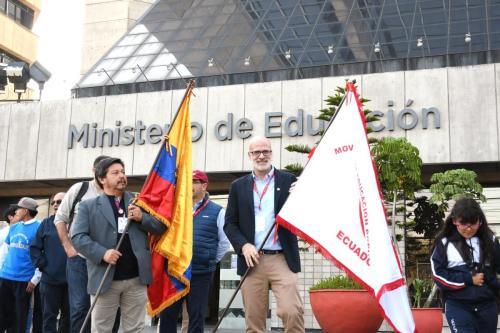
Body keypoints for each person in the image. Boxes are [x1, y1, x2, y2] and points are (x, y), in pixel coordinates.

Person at [71, 157, 167, 332]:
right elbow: (77, 237)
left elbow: (161, 227)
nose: (122, 176)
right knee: (102, 329)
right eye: (115, 173)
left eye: (123, 172)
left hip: (136, 279)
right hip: (105, 277)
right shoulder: (88, 206)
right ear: (102, 179)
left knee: (135, 329)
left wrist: (142, 217)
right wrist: (102, 253)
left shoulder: (140, 201)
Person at [224, 136, 304, 332]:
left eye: (265, 151)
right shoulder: (238, 186)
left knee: (291, 311)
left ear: (271, 152)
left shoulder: (288, 180)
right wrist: (244, 245)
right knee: (254, 321)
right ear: (250, 155)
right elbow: (229, 224)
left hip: (281, 257)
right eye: (256, 152)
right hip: (252, 260)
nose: (261, 156)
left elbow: (302, 216)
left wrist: (301, 197)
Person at [160, 170, 231, 333]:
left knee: (196, 316)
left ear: (204, 185)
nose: (188, 185)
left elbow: (224, 243)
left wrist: (209, 259)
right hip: (174, 271)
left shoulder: (218, 211)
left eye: (193, 182)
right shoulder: (174, 208)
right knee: (167, 315)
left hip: (200, 273)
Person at [54, 155, 109, 333]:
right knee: (80, 307)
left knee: (105, 309)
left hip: (104, 260)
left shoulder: (114, 193)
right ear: (94, 171)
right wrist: (68, 248)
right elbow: (60, 219)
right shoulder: (80, 189)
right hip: (79, 260)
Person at [431, 197, 500, 333]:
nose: (468, 229)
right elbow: (438, 275)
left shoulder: (490, 240)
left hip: (487, 306)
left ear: (480, 221)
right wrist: (468, 279)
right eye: (464, 224)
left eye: (473, 224)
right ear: (455, 221)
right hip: (458, 306)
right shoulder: (444, 243)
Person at [0, 197, 41, 333]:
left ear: (25, 211)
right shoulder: (14, 227)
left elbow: (43, 255)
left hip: (24, 280)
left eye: (18, 208)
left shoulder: (39, 228)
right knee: (3, 315)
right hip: (5, 277)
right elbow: (5, 251)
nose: (16, 211)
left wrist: (35, 279)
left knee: (19, 317)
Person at [30, 192, 69, 333]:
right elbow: (34, 248)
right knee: (49, 318)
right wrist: (44, 265)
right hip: (50, 280)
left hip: (73, 280)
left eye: (59, 202)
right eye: (53, 202)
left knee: (69, 318)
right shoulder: (46, 223)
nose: (55, 205)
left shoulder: (78, 222)